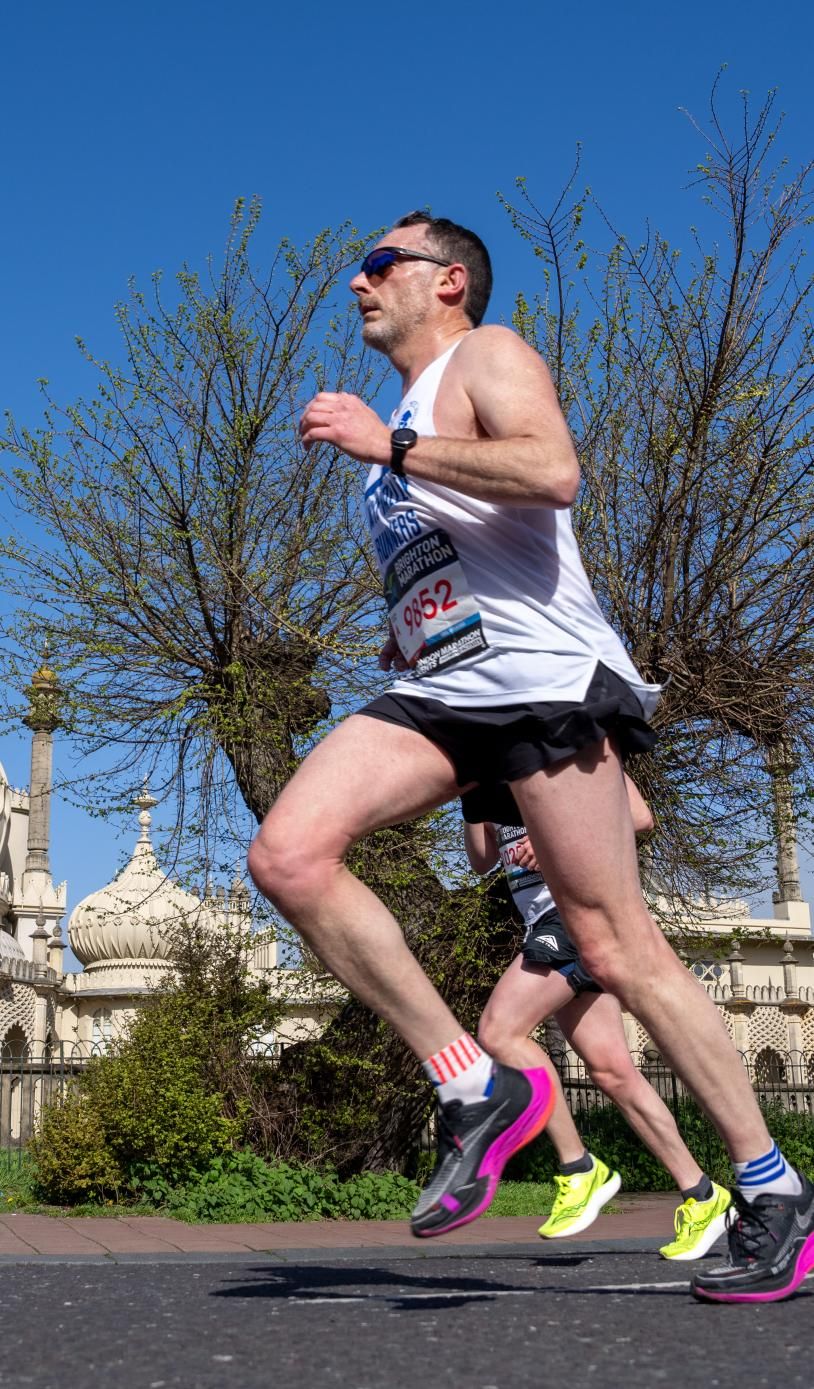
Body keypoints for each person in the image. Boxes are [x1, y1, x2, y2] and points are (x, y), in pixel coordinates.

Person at [247, 212, 814, 1301]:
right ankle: (472, 1086)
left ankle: (770, 1189)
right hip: (440, 691)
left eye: (380, 265)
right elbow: (460, 550)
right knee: (289, 856)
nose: (356, 283)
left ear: (447, 281)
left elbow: (552, 472)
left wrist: (392, 446)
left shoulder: (486, 356)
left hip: (541, 687)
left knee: (616, 943)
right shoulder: (399, 419)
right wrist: (409, 616)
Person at [464, 779, 730, 1258]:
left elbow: (640, 817)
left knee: (500, 1032)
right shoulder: (489, 773)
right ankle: (704, 1197)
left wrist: (551, 845)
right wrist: (469, 797)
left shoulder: (567, 742)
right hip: (544, 923)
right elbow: (482, 860)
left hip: (574, 917)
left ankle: (578, 1167)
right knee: (614, 1074)